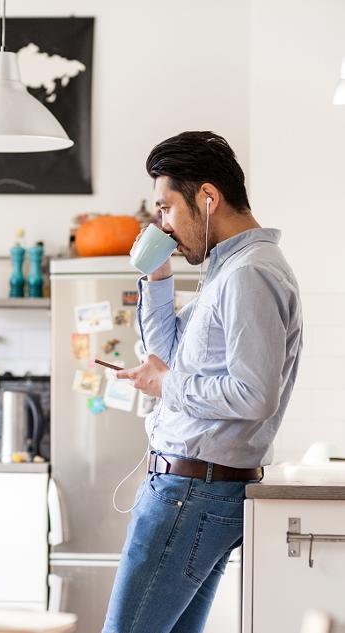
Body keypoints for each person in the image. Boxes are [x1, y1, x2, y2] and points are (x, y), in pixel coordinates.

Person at [102, 131, 303, 633]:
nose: (164, 225)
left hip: (190, 492)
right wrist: (158, 276)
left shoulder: (249, 275)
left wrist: (166, 386)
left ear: (208, 197)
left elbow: (254, 395)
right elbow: (165, 356)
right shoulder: (228, 270)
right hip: (192, 489)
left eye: (166, 208)